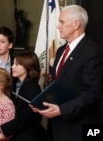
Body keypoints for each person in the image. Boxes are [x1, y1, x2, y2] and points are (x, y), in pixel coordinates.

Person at [31, 5, 103, 141]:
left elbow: (93, 94)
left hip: (78, 129)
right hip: (56, 128)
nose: (58, 26)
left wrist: (62, 110)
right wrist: (42, 103)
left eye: (62, 22)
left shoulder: (92, 52)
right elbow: (57, 84)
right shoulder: (61, 50)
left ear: (76, 24)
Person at [0, 51, 46, 141]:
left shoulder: (33, 88)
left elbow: (25, 118)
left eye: (16, 64)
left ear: (26, 67)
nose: (12, 67)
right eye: (13, 64)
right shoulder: (17, 84)